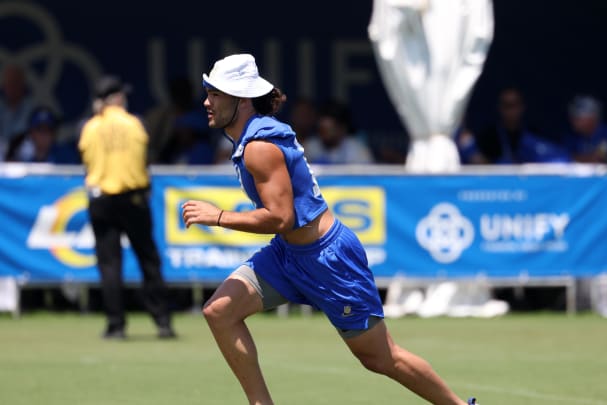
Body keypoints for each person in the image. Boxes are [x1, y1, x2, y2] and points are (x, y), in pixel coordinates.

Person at [182, 54, 475, 405]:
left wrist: (218, 217)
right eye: (208, 92)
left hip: (329, 260)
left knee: (381, 358)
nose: (206, 102)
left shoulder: (259, 148)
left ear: (241, 99)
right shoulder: (250, 138)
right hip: (288, 255)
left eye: (215, 94)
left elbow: (279, 218)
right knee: (219, 311)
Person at [78, 75, 176, 340]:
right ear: (118, 98)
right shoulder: (135, 124)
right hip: (133, 199)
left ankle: (116, 325)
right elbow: (146, 156)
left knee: (109, 264)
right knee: (148, 259)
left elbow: (86, 159)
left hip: (101, 199)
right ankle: (163, 322)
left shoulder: (90, 127)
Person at [468, 87, 569, 164]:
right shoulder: (488, 136)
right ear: (500, 108)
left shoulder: (534, 133)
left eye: (514, 105)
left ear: (522, 107)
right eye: (506, 105)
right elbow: (480, 165)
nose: (511, 110)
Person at [303, 100, 374, 164]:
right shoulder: (309, 148)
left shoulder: (358, 151)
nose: (324, 135)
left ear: (342, 128)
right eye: (322, 130)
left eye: (329, 129)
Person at [563, 95, 607, 163]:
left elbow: (599, 160)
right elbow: (564, 158)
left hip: (606, 173)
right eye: (573, 117)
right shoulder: (571, 136)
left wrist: (576, 158)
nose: (573, 121)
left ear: (592, 118)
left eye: (578, 118)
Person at [0, 64, 36, 160]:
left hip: (22, 153)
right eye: (10, 83)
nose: (13, 87)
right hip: (2, 152)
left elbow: (23, 135)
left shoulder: (30, 107)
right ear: (4, 85)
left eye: (16, 82)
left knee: (28, 147)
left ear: (22, 85)